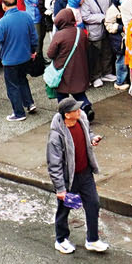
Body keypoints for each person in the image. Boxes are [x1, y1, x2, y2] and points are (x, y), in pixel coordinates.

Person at [45, 97, 107, 254]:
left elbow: (88, 133)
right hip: (68, 179)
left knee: (93, 204)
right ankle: (61, 240)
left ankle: (92, 240)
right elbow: (54, 164)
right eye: (75, 110)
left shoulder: (82, 119)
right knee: (64, 209)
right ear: (67, 115)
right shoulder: (56, 136)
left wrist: (92, 138)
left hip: (85, 173)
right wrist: (60, 188)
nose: (79, 111)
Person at [0, 0, 38, 120]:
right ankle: (29, 103)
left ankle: (19, 113)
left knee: (12, 86)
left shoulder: (3, 22)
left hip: (10, 60)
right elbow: (34, 37)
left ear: (4, 6)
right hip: (25, 57)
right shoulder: (26, 16)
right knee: (22, 80)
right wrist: (32, 50)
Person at [44, 7, 93, 115]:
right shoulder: (81, 32)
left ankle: (65, 114)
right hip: (80, 68)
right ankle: (86, 106)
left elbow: (50, 54)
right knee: (79, 93)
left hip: (63, 70)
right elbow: (87, 47)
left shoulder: (59, 35)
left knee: (62, 94)